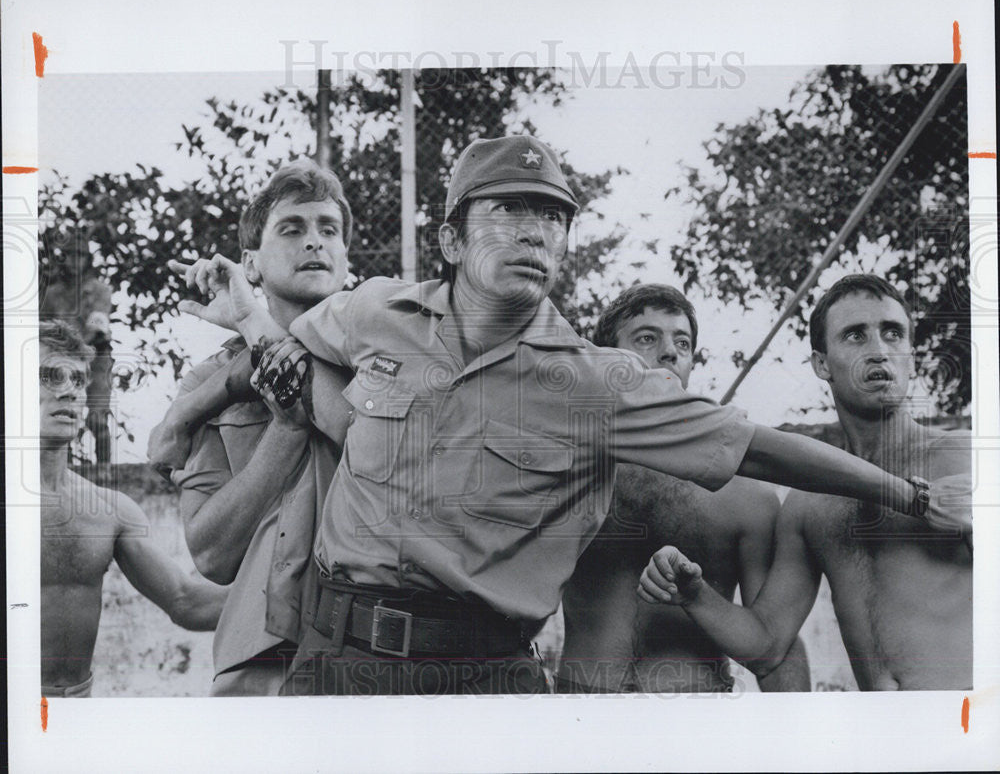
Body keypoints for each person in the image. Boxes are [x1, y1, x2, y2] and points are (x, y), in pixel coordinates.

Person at [172, 137, 965, 696]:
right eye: (509, 210)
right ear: (450, 236)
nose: (534, 231)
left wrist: (915, 498)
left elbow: (764, 449)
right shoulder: (375, 311)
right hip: (331, 661)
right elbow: (290, 352)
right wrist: (238, 333)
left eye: (551, 216)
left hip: (481, 679)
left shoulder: (600, 382)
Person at [639, 274, 972, 690]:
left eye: (893, 333)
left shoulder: (968, 457)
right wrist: (695, 594)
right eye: (855, 335)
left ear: (910, 354)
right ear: (821, 364)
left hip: (970, 731)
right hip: (885, 740)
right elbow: (766, 646)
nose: (879, 351)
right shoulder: (808, 505)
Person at [148, 160, 354, 696]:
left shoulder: (385, 354)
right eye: (292, 229)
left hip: (380, 655)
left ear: (346, 260)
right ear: (250, 265)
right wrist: (285, 432)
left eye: (328, 230)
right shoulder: (209, 381)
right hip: (263, 660)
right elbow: (213, 555)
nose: (315, 242)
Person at [559, 284, 809, 693]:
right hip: (581, 719)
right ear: (606, 358)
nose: (670, 352)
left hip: (699, 724)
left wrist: (796, 748)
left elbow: (773, 643)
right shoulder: (570, 473)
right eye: (646, 338)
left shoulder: (747, 495)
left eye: (683, 342)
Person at [39, 319, 227, 698]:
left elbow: (185, 601)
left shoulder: (109, 510)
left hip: (76, 712)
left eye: (77, 380)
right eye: (48, 377)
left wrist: (293, 594)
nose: (68, 392)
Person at [39, 242, 115, 463]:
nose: (74, 261)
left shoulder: (100, 290)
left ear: (87, 259)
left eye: (79, 256)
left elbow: (98, 326)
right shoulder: (51, 294)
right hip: (60, 362)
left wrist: (75, 352)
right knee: (61, 413)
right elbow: (44, 329)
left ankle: (104, 468)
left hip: (97, 358)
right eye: (69, 255)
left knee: (98, 417)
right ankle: (66, 469)